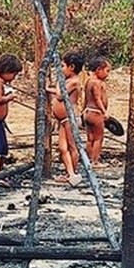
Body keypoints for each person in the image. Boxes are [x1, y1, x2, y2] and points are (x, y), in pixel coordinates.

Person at [46, 51, 84, 186]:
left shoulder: (74, 81)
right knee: (62, 148)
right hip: (62, 120)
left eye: (63, 66)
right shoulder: (68, 81)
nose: (61, 70)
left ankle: (73, 172)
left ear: (71, 67)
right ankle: (69, 172)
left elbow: (60, 95)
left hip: (69, 118)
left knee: (72, 146)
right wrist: (47, 89)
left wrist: (58, 80)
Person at [83, 55, 111, 165]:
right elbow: (97, 98)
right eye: (107, 71)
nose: (108, 74)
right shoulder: (97, 83)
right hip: (96, 113)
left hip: (88, 112)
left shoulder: (88, 81)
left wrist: (84, 110)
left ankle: (89, 160)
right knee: (98, 138)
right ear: (99, 69)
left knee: (90, 138)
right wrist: (104, 111)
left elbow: (86, 98)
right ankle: (95, 161)